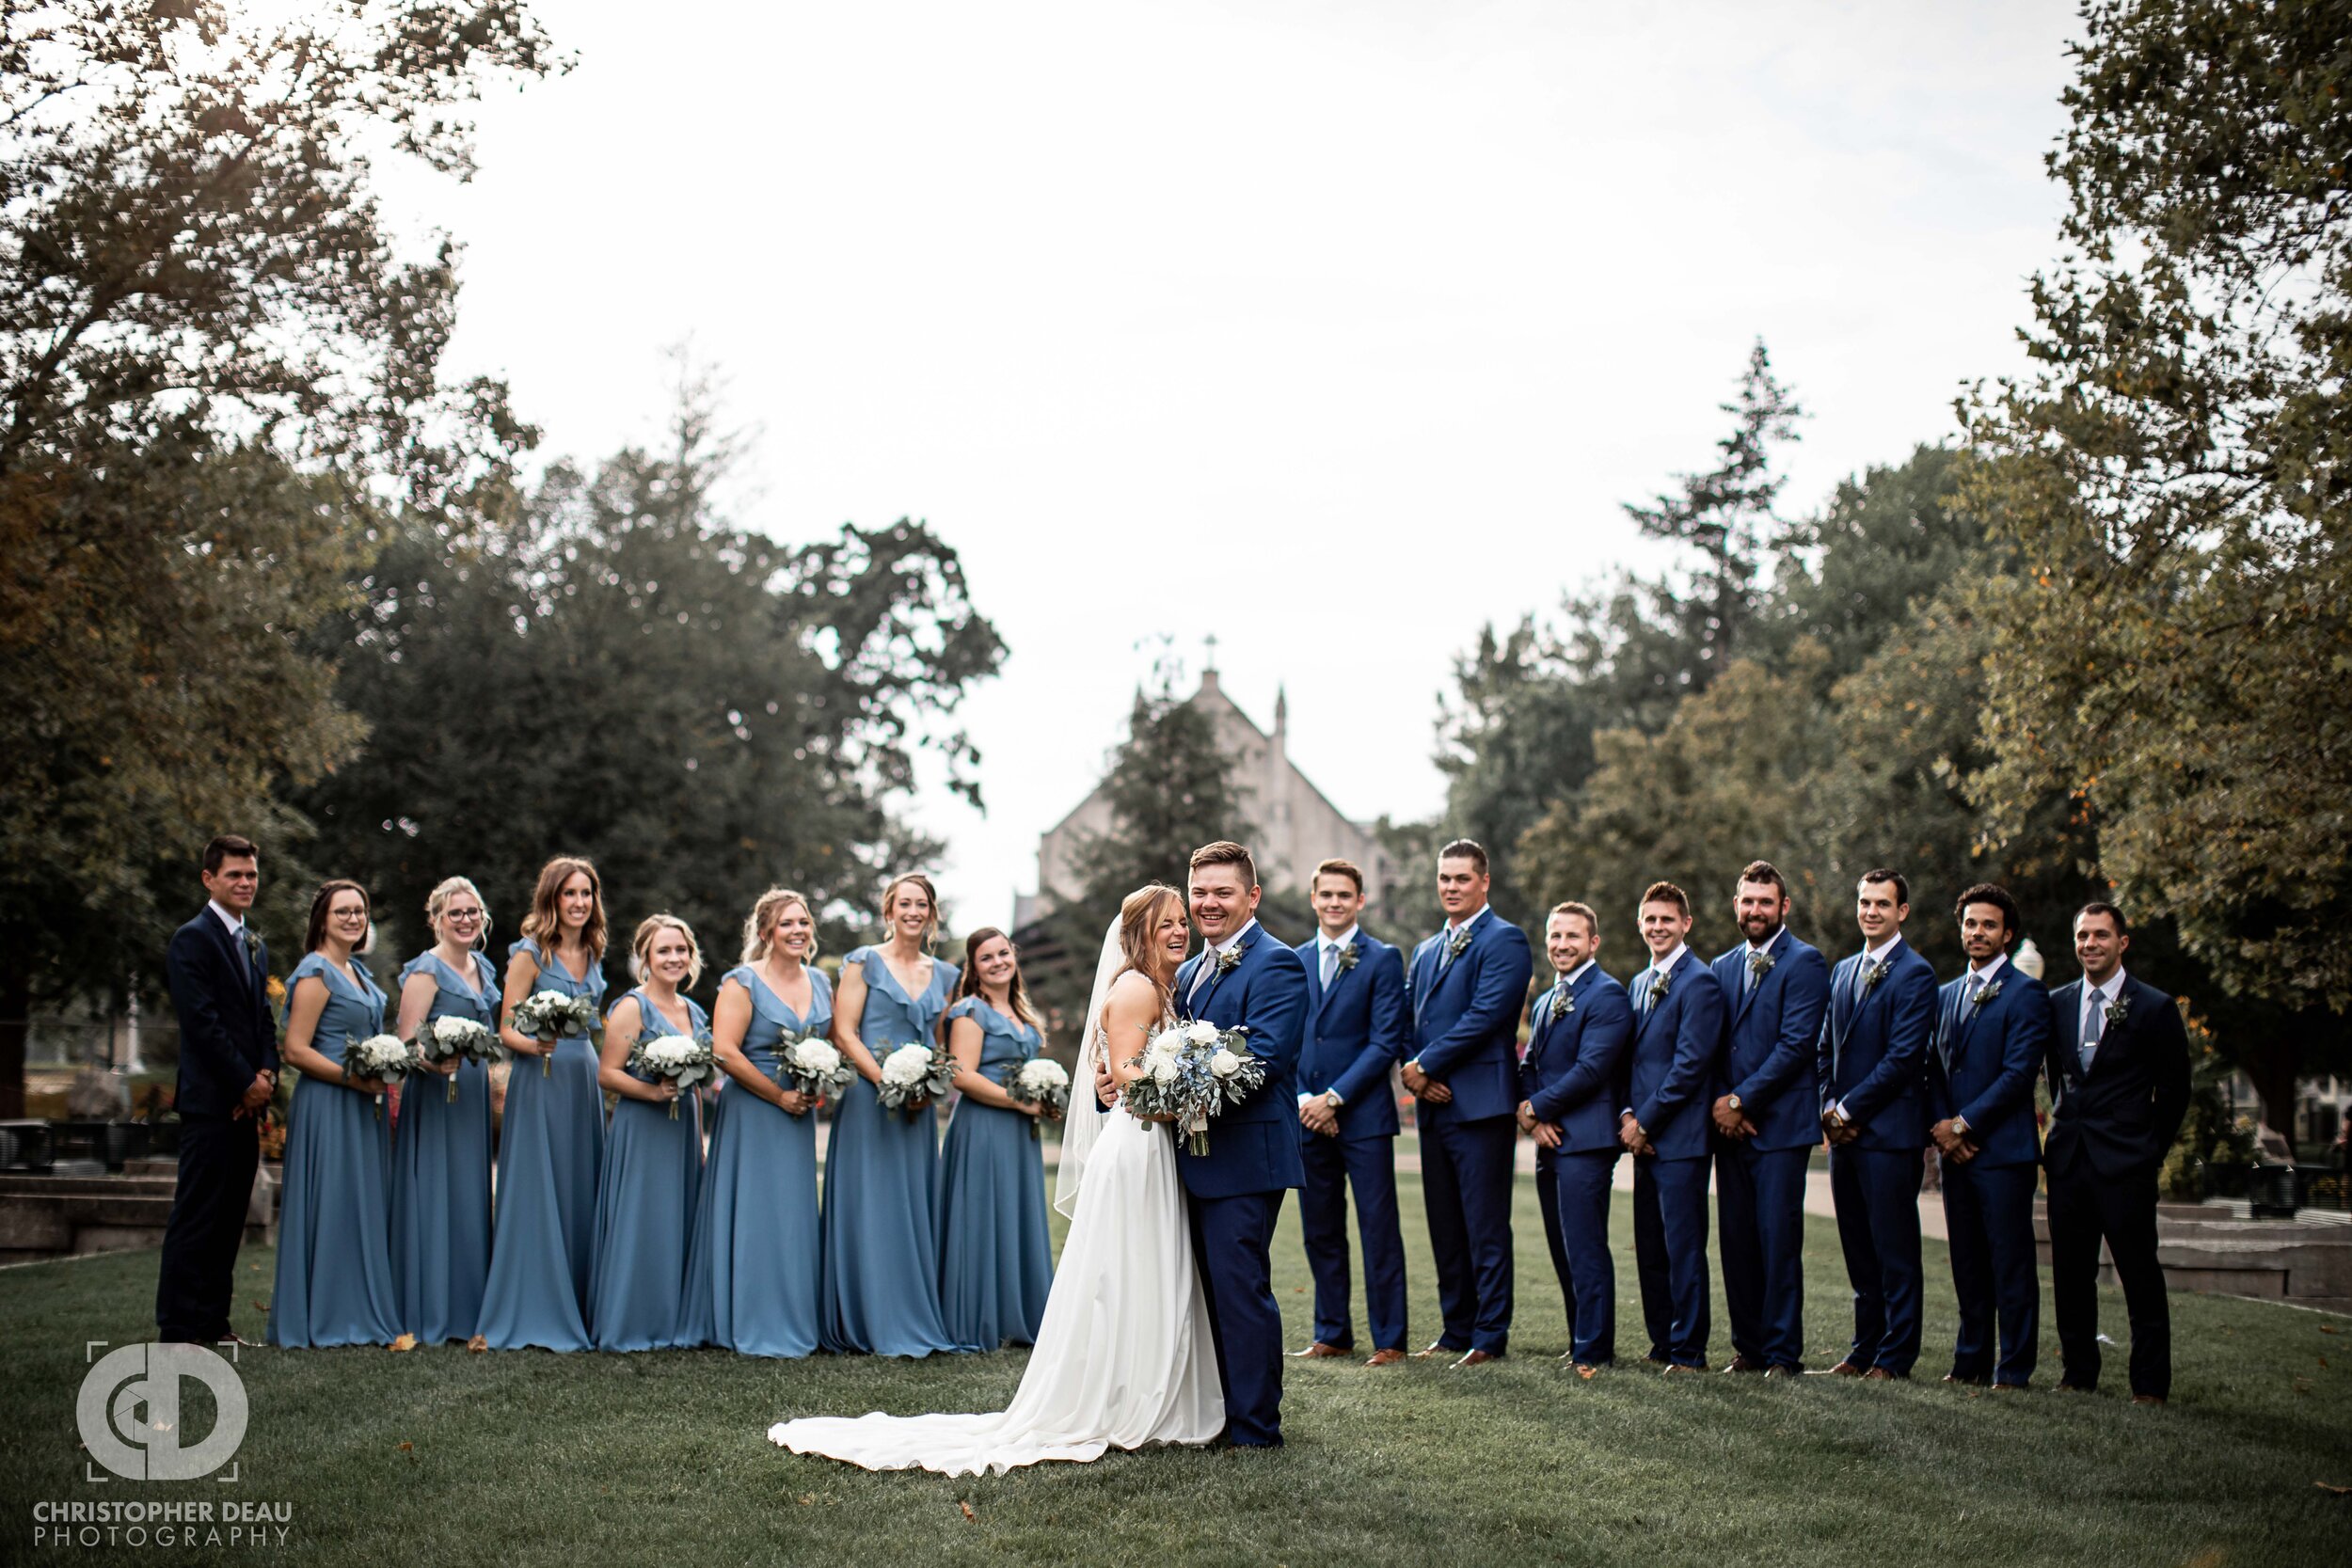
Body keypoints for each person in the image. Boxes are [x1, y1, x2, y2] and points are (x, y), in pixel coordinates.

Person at [771, 884, 1221, 1472]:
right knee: (1128, 1270)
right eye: (1167, 922)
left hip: (1150, 1149)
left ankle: (1148, 1384)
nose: (1180, 930)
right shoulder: (1137, 987)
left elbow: (1112, 1073)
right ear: (1137, 932)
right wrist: (1191, 1106)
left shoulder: (1166, 987)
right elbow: (1133, 1084)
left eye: (1182, 921)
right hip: (1138, 1149)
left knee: (1146, 1267)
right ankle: (1129, 1395)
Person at [2044, 902, 2190, 1404]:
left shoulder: (2153, 1007)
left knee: (2139, 1273)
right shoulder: (2058, 1002)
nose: (2090, 944)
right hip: (2068, 1161)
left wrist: (2150, 1150)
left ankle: (2149, 1385)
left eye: (2101, 935)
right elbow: (2055, 1076)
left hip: (2126, 1162)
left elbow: (2175, 1091)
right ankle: (2079, 1373)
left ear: (2122, 942)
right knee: (2071, 1274)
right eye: (2083, 936)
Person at [1400, 839, 1534, 1368]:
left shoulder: (1506, 940)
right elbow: (1411, 1020)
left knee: (1485, 1224)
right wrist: (1414, 1074)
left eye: (1461, 878)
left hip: (1481, 1106)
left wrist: (1426, 1065)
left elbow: (1487, 1016)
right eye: (1445, 878)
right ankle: (1455, 1328)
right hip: (1434, 1105)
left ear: (1484, 882)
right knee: (1445, 1224)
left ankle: (1489, 1334)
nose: (1451, 887)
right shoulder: (1428, 948)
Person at [680, 888, 829, 1357]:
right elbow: (724, 1049)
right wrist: (779, 1095)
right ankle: (745, 1315)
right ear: (766, 932)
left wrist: (814, 1084)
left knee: (790, 1217)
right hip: (754, 1111)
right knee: (753, 1212)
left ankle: (791, 1314)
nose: (797, 930)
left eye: (803, 922)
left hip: (798, 1114)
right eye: (787, 923)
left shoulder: (823, 982)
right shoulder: (742, 982)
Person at [821, 873, 962, 1355]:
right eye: (904, 903)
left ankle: (910, 1310)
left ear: (932, 913)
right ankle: (864, 1315)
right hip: (869, 1100)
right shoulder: (862, 963)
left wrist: (929, 1086)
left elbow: (940, 1042)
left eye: (922, 904)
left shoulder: (944, 974)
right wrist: (887, 1081)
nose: (913, 911)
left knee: (910, 1208)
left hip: (918, 1107)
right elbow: (844, 1031)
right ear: (888, 912)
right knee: (870, 1205)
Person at [478, 856, 609, 1352]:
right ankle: (531, 1304)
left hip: (583, 1083)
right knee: (539, 1187)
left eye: (586, 894)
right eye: (570, 893)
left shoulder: (595, 953)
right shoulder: (529, 954)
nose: (579, 903)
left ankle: (579, 1299)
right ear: (552, 899)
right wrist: (535, 1045)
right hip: (541, 1080)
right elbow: (506, 1027)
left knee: (580, 1184)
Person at [1708, 861, 1830, 1377]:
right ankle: (1748, 1348)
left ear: (1783, 907)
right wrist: (1722, 1104)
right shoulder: (1720, 966)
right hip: (1729, 1132)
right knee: (1736, 1242)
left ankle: (1782, 1354)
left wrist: (1741, 1102)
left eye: (1765, 901)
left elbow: (1796, 1045)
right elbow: (1710, 1046)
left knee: (1778, 1241)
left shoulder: (1806, 962)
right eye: (1747, 901)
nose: (1755, 910)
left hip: (1778, 1127)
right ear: (1736, 905)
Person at [266, 879, 401, 1346]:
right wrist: (353, 1079)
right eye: (342, 911)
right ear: (322, 919)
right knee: (330, 1202)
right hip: (328, 1104)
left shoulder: (358, 973)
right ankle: (323, 1314)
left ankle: (356, 1309)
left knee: (359, 1204)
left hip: (365, 1105)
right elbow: (295, 1050)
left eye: (359, 911)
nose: (352, 918)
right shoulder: (315, 972)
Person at [1289, 858, 1411, 1367]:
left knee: (1378, 1228)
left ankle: (1390, 1340)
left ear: (1360, 901)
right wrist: (1304, 1101)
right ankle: (1332, 1332)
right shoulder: (1292, 960)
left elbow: (1385, 1043)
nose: (1335, 902)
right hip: (1306, 1117)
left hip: (1362, 1118)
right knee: (1320, 1229)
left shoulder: (1382, 959)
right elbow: (1286, 1039)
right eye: (1327, 895)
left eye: (1345, 895)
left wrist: (1335, 1098)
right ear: (1314, 899)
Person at [156, 834, 277, 1345]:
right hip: (211, 1105)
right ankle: (180, 1327)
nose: (245, 882)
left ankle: (214, 1324)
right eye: (235, 875)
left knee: (230, 1220)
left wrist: (267, 1075)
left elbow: (262, 1020)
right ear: (209, 879)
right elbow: (202, 1024)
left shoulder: (254, 943)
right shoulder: (192, 938)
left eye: (251, 874)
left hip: (247, 1106)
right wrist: (243, 1083)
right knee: (197, 1217)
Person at [1817, 868, 1938, 1379]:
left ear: (1901, 912)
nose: (1871, 911)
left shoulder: (1916, 973)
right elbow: (1825, 1048)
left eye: (1882, 904)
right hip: (1845, 1139)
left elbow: (1903, 1058)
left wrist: (1848, 1111)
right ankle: (1863, 1350)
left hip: (1889, 1136)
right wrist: (1827, 1106)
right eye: (1865, 902)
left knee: (1895, 1251)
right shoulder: (1843, 970)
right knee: (1859, 1252)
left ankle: (1896, 1356)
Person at [1928, 883, 2049, 1390]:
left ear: (2008, 934)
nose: (1978, 933)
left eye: (1989, 925)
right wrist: (1943, 1129)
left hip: (2004, 1154)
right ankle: (1970, 1361)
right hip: (1957, 1155)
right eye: (1971, 924)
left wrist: (1964, 1125)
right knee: (1968, 1264)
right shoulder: (1945, 995)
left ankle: (2014, 1368)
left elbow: (2018, 1075)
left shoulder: (2027, 994)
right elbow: (1932, 1068)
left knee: (2010, 1264)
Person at [1518, 901, 1631, 1375]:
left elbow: (1592, 1070)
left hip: (1587, 1141)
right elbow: (1529, 1067)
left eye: (1573, 936)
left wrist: (1537, 1108)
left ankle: (1594, 1349)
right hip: (1551, 1140)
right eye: (1556, 935)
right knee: (1562, 1249)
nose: (1562, 944)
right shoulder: (1546, 999)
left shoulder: (1608, 996)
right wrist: (1534, 1120)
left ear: (1593, 943)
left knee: (1586, 1247)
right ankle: (1577, 1337)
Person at [1618, 881, 1726, 1372]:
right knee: (1651, 1248)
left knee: (1684, 1248)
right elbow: (1629, 1062)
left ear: (1686, 924)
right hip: (1642, 1140)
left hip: (1679, 1138)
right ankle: (1661, 1342)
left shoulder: (1699, 982)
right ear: (1640, 924)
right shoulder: (1639, 983)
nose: (1658, 927)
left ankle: (1689, 1351)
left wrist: (1645, 1121)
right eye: (1650, 919)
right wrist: (1626, 1116)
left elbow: (1690, 1066)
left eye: (1667, 919)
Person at [588, 914, 707, 1351]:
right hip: (642, 1130)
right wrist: (654, 1094)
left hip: (681, 1134)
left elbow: (698, 1083)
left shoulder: (694, 1011)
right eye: (664, 950)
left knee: (676, 1220)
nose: (674, 958)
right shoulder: (631, 1007)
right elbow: (606, 1073)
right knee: (642, 1221)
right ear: (645, 958)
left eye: (681, 950)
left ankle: (672, 1319)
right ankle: (630, 1322)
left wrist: (698, 1143)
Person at [389, 876, 498, 1344]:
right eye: (455, 913)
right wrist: (433, 1063)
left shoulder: (484, 968)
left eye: (472, 912)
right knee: (436, 1193)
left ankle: (468, 1309)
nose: (466, 920)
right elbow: (405, 1043)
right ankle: (429, 1306)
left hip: (471, 1094)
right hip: (435, 1093)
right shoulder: (425, 972)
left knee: (470, 1194)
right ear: (436, 920)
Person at [937, 927, 1057, 1350]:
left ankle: (1018, 1314)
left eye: (1003, 953)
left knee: (1014, 1214)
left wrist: (1044, 1098)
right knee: (983, 1217)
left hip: (1018, 1132)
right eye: (986, 958)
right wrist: (1019, 1103)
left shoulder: (1022, 1013)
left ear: (1014, 956)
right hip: (984, 1128)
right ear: (975, 967)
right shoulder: (970, 1010)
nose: (998, 962)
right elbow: (961, 1074)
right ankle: (976, 1319)